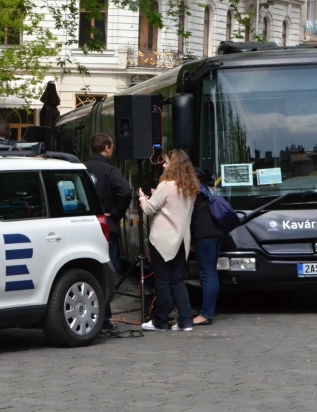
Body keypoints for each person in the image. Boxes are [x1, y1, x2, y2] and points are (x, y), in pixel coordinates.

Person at [137, 149, 197, 332]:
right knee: (178, 281)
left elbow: (149, 209)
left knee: (162, 281)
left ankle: (160, 321)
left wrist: (142, 199)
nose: (163, 165)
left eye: (166, 162)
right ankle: (186, 321)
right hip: (181, 240)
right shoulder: (190, 187)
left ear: (174, 165)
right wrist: (157, 195)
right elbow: (174, 206)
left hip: (162, 240)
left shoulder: (166, 184)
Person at [83, 133, 131, 331]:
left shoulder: (82, 168)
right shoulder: (110, 170)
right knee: (107, 272)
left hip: (84, 225)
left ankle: (91, 314)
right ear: (107, 148)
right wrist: (116, 214)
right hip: (106, 226)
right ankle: (104, 317)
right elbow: (125, 192)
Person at [190, 170, 224, 326]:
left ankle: (206, 314)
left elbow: (190, 215)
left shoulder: (194, 189)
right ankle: (208, 310)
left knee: (207, 273)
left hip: (204, 234)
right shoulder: (208, 188)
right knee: (212, 272)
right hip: (217, 232)